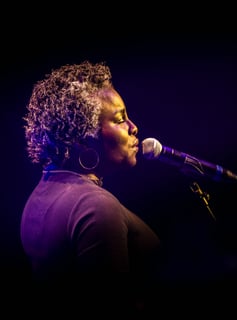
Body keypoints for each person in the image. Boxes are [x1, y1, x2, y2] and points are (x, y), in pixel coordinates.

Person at [20, 61, 161, 315]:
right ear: (87, 138)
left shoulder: (41, 193)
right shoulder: (95, 205)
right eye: (120, 119)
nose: (133, 127)